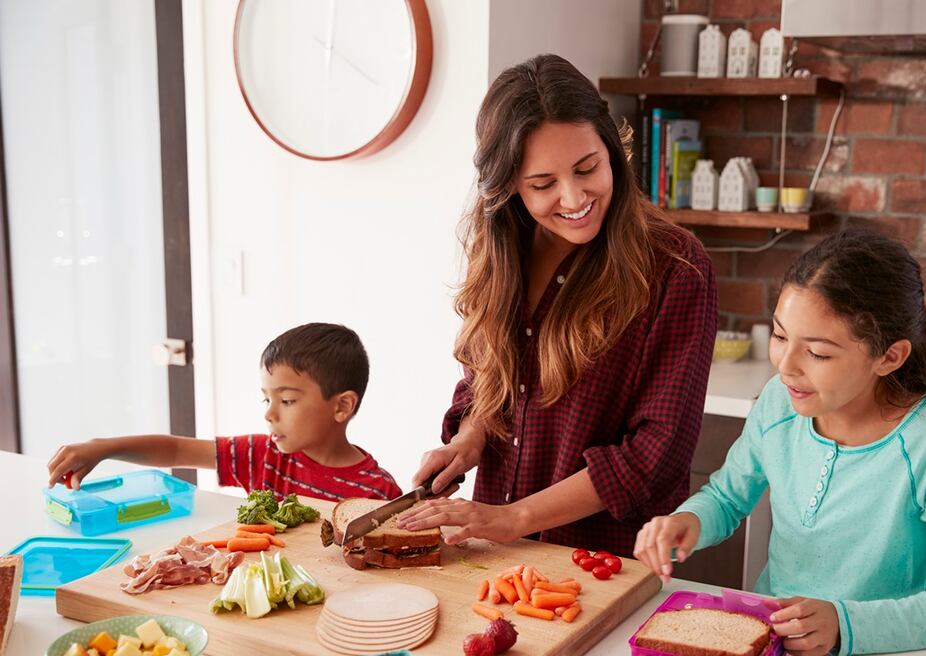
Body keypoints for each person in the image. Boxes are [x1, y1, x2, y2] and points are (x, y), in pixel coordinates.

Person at [634, 229, 926, 656]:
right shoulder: (779, 401)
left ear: (889, 356)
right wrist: (690, 521)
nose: (787, 366)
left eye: (817, 353)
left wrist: (844, 625)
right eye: (779, 336)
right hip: (777, 646)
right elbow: (726, 496)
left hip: (888, 653)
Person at [397, 54, 717, 558]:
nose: (574, 197)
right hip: (496, 554)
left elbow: (656, 452)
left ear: (611, 149)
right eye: (542, 185)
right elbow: (487, 380)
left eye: (587, 168)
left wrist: (516, 517)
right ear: (509, 188)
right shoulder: (501, 252)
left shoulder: (676, 267)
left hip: (605, 563)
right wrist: (469, 438)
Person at [46, 323, 402, 502]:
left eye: (287, 401)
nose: (270, 414)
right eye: (267, 399)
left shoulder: (377, 492)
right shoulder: (263, 456)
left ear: (341, 406)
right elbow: (176, 450)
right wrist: (103, 447)